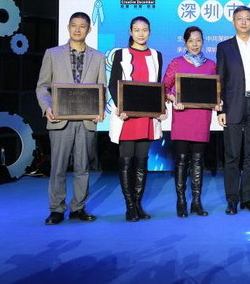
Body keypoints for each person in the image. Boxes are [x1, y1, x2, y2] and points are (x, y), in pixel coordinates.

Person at [36, 12, 106, 225]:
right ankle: (56, 209)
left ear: (89, 30)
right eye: (74, 25)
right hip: (59, 119)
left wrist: (100, 109)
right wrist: (47, 107)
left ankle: (78, 208)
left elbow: (101, 89)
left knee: (82, 167)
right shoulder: (52, 54)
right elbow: (42, 86)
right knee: (58, 167)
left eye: (82, 26)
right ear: (68, 27)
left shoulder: (98, 57)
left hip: (86, 120)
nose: (77, 29)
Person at [109, 16, 164, 222]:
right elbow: (113, 84)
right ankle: (129, 206)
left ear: (149, 32)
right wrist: (120, 107)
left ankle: (138, 203)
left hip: (147, 118)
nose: (141, 33)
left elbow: (157, 86)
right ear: (130, 32)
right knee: (126, 161)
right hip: (127, 118)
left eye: (145, 29)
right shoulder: (121, 54)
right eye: (137, 29)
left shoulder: (156, 55)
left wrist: (159, 108)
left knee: (142, 161)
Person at [216, 6, 250, 215]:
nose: (244, 22)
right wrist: (221, 109)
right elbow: (220, 78)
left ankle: (247, 197)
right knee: (231, 155)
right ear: (233, 21)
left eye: (248, 18)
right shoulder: (224, 47)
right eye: (240, 18)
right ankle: (232, 199)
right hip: (233, 105)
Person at [164, 26, 219, 217]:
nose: (195, 44)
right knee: (181, 160)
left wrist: (217, 102)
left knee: (198, 160)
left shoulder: (211, 65)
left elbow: (215, 90)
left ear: (203, 41)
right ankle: (181, 201)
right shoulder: (177, 63)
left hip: (201, 117)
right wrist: (174, 99)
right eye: (191, 41)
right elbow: (165, 88)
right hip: (182, 117)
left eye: (198, 40)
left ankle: (196, 201)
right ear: (185, 43)